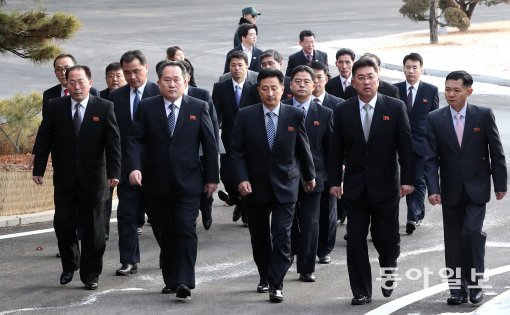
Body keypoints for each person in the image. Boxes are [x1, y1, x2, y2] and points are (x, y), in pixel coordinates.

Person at [126, 61, 219, 300]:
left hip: (189, 182)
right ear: (159, 83)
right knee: (164, 232)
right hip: (156, 183)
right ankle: (172, 278)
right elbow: (136, 140)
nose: (172, 84)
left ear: (185, 80)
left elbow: (210, 145)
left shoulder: (198, 107)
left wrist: (212, 178)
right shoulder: (147, 107)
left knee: (185, 228)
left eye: (176, 79)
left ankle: (185, 281)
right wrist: (135, 168)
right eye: (166, 79)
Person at [328, 58, 414, 305]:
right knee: (355, 239)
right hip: (354, 188)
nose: (366, 82)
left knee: (385, 239)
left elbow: (406, 147)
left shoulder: (395, 107)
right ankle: (361, 290)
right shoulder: (342, 110)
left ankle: (389, 269)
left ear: (378, 79)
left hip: (386, 186)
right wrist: (335, 181)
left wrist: (408, 180)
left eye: (371, 77)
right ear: (353, 82)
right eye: (361, 78)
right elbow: (336, 150)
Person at [32, 65, 121, 290]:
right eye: (72, 82)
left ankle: (91, 273)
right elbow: (44, 139)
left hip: (94, 179)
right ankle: (70, 264)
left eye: (81, 82)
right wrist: (38, 169)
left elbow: (113, 143)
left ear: (90, 83)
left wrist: (114, 173)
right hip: (65, 178)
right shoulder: (56, 107)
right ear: (66, 85)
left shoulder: (104, 107)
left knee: (94, 229)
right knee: (62, 223)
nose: (77, 86)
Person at [230, 68, 316, 303]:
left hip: (286, 185)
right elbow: (236, 152)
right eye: (265, 88)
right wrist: (241, 178)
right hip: (254, 187)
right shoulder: (245, 115)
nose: (270, 93)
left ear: (283, 90)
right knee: (259, 237)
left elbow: (303, 148)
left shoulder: (294, 115)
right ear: (258, 91)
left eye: (274, 88)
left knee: (282, 235)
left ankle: (276, 284)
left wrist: (309, 177)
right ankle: (265, 276)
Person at [424, 70, 507, 306]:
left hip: (477, 187)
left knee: (471, 232)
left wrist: (500, 183)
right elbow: (430, 158)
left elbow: (496, 152)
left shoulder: (482, 115)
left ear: (469, 91)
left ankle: (475, 284)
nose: (450, 94)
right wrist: (433, 188)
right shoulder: (435, 118)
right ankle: (457, 289)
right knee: (453, 240)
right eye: (447, 89)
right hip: (450, 189)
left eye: (456, 90)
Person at [109, 50, 161, 277]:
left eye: (136, 71)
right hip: (126, 168)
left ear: (146, 68)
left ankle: (167, 253)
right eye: (127, 73)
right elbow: (111, 137)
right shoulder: (115, 98)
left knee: (160, 217)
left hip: (155, 169)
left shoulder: (159, 93)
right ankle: (129, 260)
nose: (132, 77)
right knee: (127, 215)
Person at [283, 65, 333, 283]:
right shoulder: (281, 109)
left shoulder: (325, 113)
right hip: (284, 177)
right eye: (297, 81)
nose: (302, 85)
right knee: (287, 223)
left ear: (315, 85)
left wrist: (334, 179)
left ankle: (306, 267)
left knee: (311, 222)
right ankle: (288, 256)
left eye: (306, 82)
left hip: (315, 178)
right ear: (290, 85)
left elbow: (332, 149)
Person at [394, 52, 439, 235]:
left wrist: (434, 145)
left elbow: (435, 119)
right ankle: (392, 216)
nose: (411, 71)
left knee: (418, 181)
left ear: (421, 69)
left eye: (414, 67)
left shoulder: (431, 90)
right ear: (403, 68)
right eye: (408, 67)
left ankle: (412, 217)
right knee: (398, 180)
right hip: (397, 145)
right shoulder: (394, 89)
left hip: (422, 144)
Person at [213, 51, 255, 225]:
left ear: (247, 66)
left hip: (251, 139)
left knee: (247, 175)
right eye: (233, 65)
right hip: (228, 138)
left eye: (240, 65)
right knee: (227, 176)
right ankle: (236, 198)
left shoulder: (255, 87)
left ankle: (245, 208)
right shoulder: (221, 87)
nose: (236, 69)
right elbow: (215, 115)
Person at [308, 61, 343, 264]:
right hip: (305, 168)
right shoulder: (297, 104)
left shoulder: (337, 104)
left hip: (329, 165)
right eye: (312, 77)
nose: (315, 81)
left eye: (319, 77)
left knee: (328, 211)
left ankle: (324, 249)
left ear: (326, 79)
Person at [181, 59, 222, 230]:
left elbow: (211, 122)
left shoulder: (201, 95)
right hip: (183, 150)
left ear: (187, 78)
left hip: (201, 145)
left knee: (204, 182)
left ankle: (206, 208)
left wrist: (212, 145)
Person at [99, 62, 127, 240]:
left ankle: (135, 220)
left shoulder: (130, 97)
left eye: (118, 75)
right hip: (105, 154)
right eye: (110, 76)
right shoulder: (99, 96)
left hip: (126, 152)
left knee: (128, 193)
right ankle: (103, 230)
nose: (114, 79)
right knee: (105, 195)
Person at [41, 54, 100, 118]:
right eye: (59, 69)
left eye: (67, 68)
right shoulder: (48, 94)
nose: (63, 73)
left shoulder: (92, 92)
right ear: (55, 73)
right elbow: (47, 122)